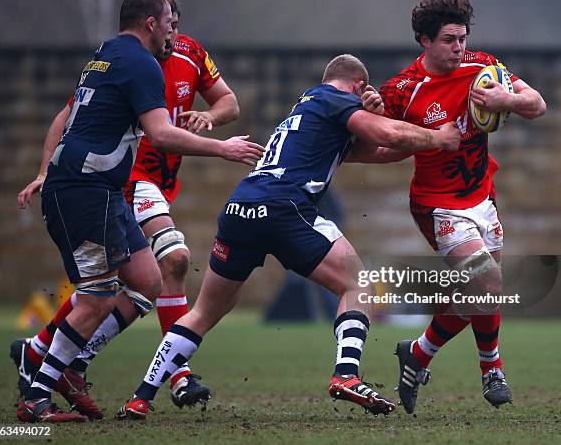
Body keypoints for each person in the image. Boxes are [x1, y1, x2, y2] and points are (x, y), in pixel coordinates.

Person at [114, 53, 461, 420]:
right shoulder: (335, 98)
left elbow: (381, 148)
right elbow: (388, 134)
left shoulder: (309, 108)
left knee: (204, 312)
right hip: (284, 208)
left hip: (240, 208)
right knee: (357, 283)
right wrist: (440, 136)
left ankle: (141, 397)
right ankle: (346, 375)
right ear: (358, 86)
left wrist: (404, 130)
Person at [15, 0, 263, 423]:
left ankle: (50, 356)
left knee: (148, 279)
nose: (173, 28)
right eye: (169, 20)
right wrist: (223, 149)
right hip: (86, 187)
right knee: (98, 296)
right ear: (151, 22)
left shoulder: (106, 53)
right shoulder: (142, 63)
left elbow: (76, 117)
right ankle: (39, 392)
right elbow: (162, 133)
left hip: (100, 188)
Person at [376, 0, 547, 414]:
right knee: (489, 283)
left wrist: (507, 101)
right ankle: (492, 369)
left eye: (463, 38)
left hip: (482, 196)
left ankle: (417, 354)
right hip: (437, 205)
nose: (459, 48)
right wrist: (420, 135)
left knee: (480, 293)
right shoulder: (401, 90)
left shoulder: (484, 69)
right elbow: (377, 146)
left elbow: (538, 104)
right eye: (450, 40)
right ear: (424, 40)